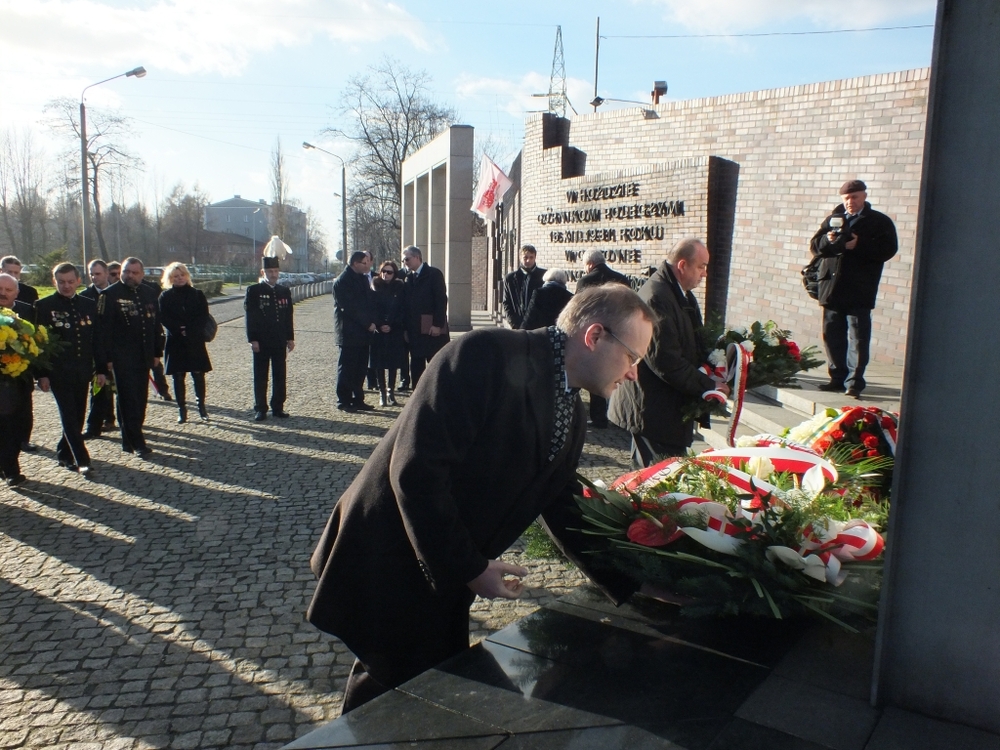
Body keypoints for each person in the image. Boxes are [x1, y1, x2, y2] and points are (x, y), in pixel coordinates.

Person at [307, 284, 655, 713]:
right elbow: (416, 472)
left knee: (411, 694)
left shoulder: (574, 408)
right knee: (394, 693)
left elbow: (561, 500)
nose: (634, 372)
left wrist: (636, 581)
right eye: (632, 357)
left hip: (439, 574)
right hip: (388, 561)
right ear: (594, 336)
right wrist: (470, 569)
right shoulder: (484, 354)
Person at [609, 238, 729, 467]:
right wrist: (708, 386)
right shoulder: (658, 297)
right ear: (682, 265)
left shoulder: (678, 292)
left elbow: (691, 341)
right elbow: (666, 361)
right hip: (654, 412)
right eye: (701, 266)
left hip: (662, 410)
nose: (704, 274)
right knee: (657, 480)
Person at [809, 179, 898, 398]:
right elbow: (814, 246)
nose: (850, 202)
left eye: (855, 197)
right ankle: (836, 378)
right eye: (847, 198)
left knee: (858, 337)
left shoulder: (879, 221)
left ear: (864, 196)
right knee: (832, 335)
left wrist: (859, 244)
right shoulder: (833, 219)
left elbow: (888, 250)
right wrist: (829, 241)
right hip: (831, 288)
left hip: (859, 289)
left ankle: (854, 383)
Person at [34, 263, 105, 476]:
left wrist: (101, 369)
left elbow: (97, 340)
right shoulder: (44, 306)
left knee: (79, 415)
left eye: (70, 282)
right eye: (61, 282)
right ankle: (81, 459)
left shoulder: (88, 304)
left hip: (82, 369)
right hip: (58, 371)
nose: (66, 286)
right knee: (68, 415)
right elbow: (39, 344)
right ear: (54, 281)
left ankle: (63, 452)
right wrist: (41, 374)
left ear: (78, 281)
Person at [97, 256, 164, 458]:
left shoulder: (149, 293)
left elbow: (155, 326)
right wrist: (105, 359)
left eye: (134, 272)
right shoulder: (110, 294)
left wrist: (156, 353)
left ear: (142, 274)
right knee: (128, 399)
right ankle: (138, 442)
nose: (129, 276)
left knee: (140, 398)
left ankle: (129, 440)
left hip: (143, 355)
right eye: (126, 271)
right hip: (121, 356)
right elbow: (103, 331)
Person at [576, 250, 631, 428]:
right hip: (617, 335)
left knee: (596, 375)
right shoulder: (621, 279)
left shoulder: (585, 281)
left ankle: (599, 418)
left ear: (589, 264)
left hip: (595, 336)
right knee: (617, 374)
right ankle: (618, 415)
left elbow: (579, 312)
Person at [158, 262, 213, 423]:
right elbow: (163, 317)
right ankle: (182, 409)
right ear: (170, 278)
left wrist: (189, 329)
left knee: (198, 374)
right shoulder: (165, 296)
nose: (180, 278)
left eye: (182, 275)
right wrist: (178, 329)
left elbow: (203, 316)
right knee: (178, 376)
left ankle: (201, 407)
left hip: (194, 340)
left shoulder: (197, 294)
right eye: (176, 276)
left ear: (187, 276)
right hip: (175, 341)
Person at [245, 256, 294, 421]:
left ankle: (278, 406)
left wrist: (290, 337)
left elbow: (288, 316)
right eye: (270, 271)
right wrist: (253, 339)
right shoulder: (254, 291)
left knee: (280, 375)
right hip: (262, 340)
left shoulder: (284, 291)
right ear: (263, 272)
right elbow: (250, 317)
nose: (273, 274)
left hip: (279, 339)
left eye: (275, 271)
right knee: (261, 376)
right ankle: (260, 408)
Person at [1, 255, 39, 451]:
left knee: (24, 406)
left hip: (22, 366)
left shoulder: (29, 298)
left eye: (16, 273)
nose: (13, 275)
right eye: (8, 272)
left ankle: (23, 439)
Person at [0, 273, 34, 485]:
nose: (2, 293)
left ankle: (10, 464)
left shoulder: (27, 312)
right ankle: (10, 469)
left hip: (18, 381)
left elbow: (37, 345)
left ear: (16, 293)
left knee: (17, 427)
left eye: (8, 290)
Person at [333, 251, 376, 412]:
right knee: (347, 368)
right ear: (355, 263)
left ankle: (358, 398)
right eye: (365, 263)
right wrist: (367, 323)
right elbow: (350, 308)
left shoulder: (363, 279)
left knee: (361, 367)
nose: (368, 265)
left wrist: (373, 321)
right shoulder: (342, 281)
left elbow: (369, 303)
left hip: (364, 333)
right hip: (349, 332)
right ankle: (343, 400)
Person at [401, 246, 449, 388]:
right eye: (403, 260)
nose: (405, 262)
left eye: (407, 259)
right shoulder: (408, 278)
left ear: (417, 257)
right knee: (416, 365)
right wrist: (405, 329)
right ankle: (418, 396)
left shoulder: (433, 274)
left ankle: (440, 394)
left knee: (436, 364)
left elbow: (441, 300)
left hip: (432, 330)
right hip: (415, 331)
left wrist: (438, 325)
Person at [80, 259, 116, 438]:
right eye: (91, 274)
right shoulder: (85, 296)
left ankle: (115, 419)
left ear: (107, 273)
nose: (94, 277)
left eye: (98, 274)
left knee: (120, 389)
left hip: (117, 349)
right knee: (99, 388)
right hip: (95, 350)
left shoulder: (116, 293)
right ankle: (93, 426)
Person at [370, 261, 406, 406]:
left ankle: (391, 392)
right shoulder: (374, 286)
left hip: (394, 330)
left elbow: (403, 309)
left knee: (393, 362)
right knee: (379, 362)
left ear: (394, 274)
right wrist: (379, 325)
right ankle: (382, 392)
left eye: (389, 272)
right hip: (379, 330)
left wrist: (392, 325)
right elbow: (371, 309)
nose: (386, 274)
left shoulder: (400, 288)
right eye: (383, 271)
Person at [502, 244, 546, 329]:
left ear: (535, 257)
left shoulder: (544, 276)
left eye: (531, 257)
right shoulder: (510, 279)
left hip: (538, 326)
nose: (528, 260)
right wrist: (513, 323)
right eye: (525, 258)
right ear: (520, 258)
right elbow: (507, 302)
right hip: (517, 325)